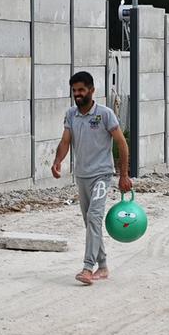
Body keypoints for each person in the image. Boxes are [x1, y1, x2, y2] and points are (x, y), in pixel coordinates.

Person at [51, 71, 132, 286]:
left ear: (91, 91)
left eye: (81, 90)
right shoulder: (71, 115)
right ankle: (103, 266)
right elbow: (65, 141)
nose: (77, 94)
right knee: (89, 221)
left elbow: (122, 144)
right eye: (74, 91)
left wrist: (124, 175)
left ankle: (88, 267)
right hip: (82, 176)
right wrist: (58, 160)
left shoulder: (104, 114)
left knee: (94, 217)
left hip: (102, 176)